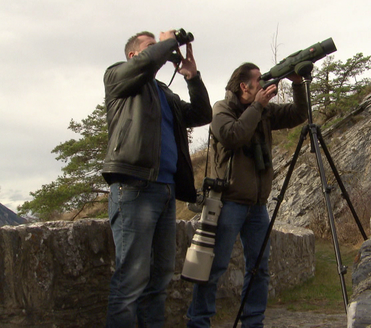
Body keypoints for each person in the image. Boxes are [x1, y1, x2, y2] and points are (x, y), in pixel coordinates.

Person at [103, 30, 212, 327]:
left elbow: (202, 115)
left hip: (165, 189)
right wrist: (167, 42)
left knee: (160, 276)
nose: (163, 51)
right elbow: (145, 66)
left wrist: (192, 77)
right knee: (130, 279)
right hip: (134, 187)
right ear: (133, 55)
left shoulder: (165, 93)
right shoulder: (118, 77)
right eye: (152, 47)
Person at [186, 63, 308, 327]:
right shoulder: (222, 109)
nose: (263, 84)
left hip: (257, 206)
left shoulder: (263, 112)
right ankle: (198, 322)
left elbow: (299, 113)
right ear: (244, 86)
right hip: (228, 203)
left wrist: (297, 84)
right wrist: (258, 107)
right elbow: (233, 136)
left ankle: (253, 322)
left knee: (259, 268)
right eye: (258, 80)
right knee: (214, 267)